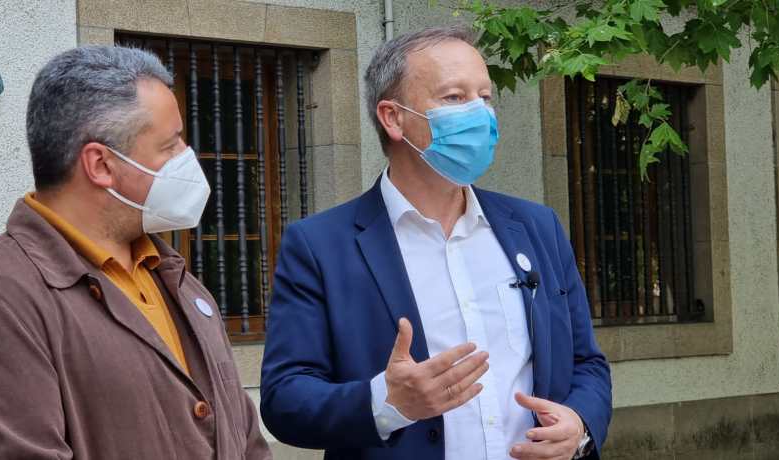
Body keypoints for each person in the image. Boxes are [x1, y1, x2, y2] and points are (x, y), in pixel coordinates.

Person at [260, 26, 611, 460]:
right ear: (393, 117)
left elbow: (586, 364)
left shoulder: (537, 227)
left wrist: (579, 425)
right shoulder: (320, 246)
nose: (480, 114)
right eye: (455, 97)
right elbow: (285, 399)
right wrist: (387, 403)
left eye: (485, 97)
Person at [0, 45, 271, 459]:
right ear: (101, 165)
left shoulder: (174, 277)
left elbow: (246, 441)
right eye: (170, 145)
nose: (188, 159)